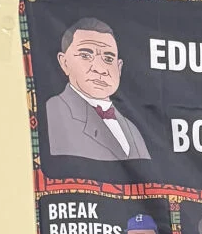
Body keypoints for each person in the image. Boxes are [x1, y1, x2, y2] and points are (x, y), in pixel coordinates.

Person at [45, 18, 150, 161]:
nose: (100, 69)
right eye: (86, 56)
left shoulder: (132, 129)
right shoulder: (52, 113)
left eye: (108, 59)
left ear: (119, 68)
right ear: (64, 62)